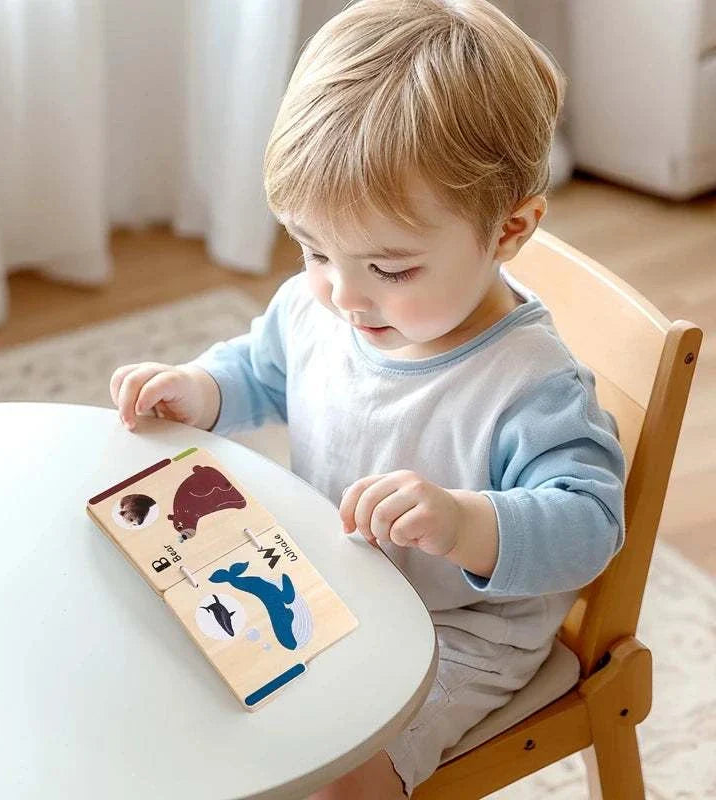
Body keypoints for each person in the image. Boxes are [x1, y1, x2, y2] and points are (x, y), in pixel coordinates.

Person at [109, 1, 626, 796]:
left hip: (459, 634)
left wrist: (466, 522)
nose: (343, 295)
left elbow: (591, 526)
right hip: (327, 580)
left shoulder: (532, 385)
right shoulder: (321, 304)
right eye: (314, 248)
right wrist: (202, 389)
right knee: (160, 663)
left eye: (389, 269)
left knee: (340, 780)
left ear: (509, 230)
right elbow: (265, 367)